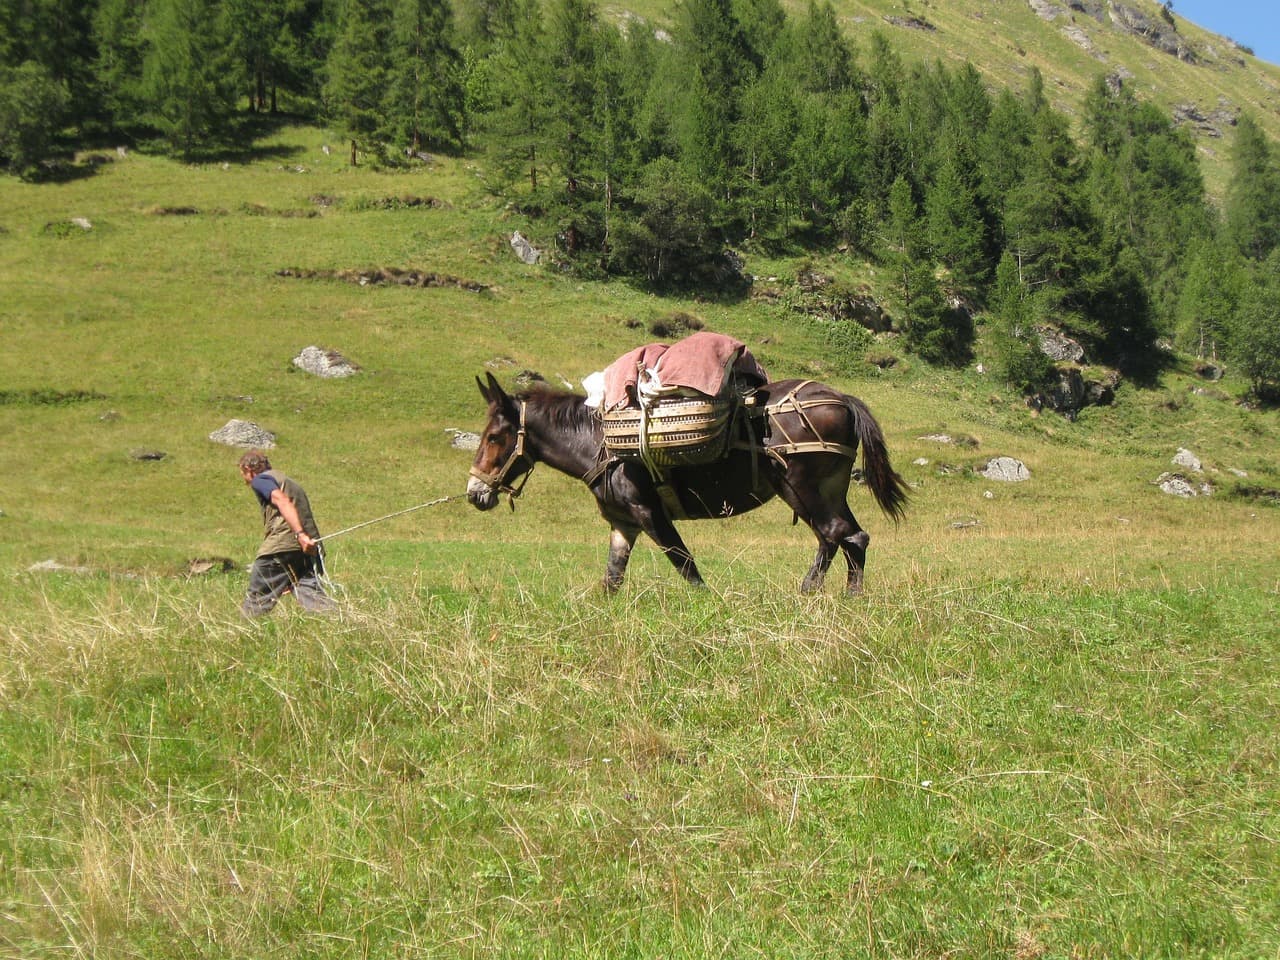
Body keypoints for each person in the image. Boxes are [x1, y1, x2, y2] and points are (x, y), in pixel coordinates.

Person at [238, 450, 335, 617]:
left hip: (283, 547)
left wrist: (299, 534)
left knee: (256, 602)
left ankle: (238, 636)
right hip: (307, 549)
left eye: (243, 473)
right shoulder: (286, 480)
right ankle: (341, 623)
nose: (244, 479)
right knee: (312, 597)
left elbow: (282, 501)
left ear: (249, 469)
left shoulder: (261, 480)